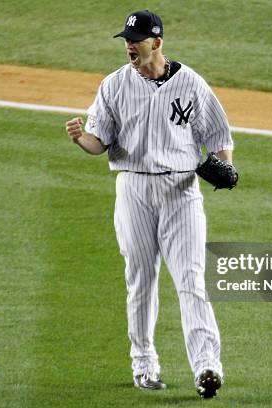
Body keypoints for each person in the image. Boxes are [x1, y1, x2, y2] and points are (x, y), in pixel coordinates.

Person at [65, 9, 234, 399]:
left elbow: (219, 134)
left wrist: (227, 166)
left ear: (156, 43)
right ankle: (144, 364)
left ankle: (207, 366)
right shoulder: (113, 85)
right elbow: (99, 142)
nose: (129, 44)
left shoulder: (191, 83)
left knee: (191, 280)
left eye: (136, 38)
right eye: (126, 38)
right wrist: (80, 139)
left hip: (181, 191)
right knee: (141, 280)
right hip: (134, 190)